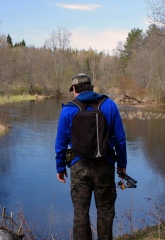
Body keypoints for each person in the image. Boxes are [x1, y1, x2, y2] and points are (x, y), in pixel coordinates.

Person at [55, 73, 127, 240]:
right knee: (105, 209)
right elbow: (120, 139)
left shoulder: (68, 110)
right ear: (91, 87)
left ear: (74, 89)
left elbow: (60, 144)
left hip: (79, 167)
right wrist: (122, 165)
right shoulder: (109, 104)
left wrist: (60, 168)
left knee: (80, 210)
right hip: (106, 164)